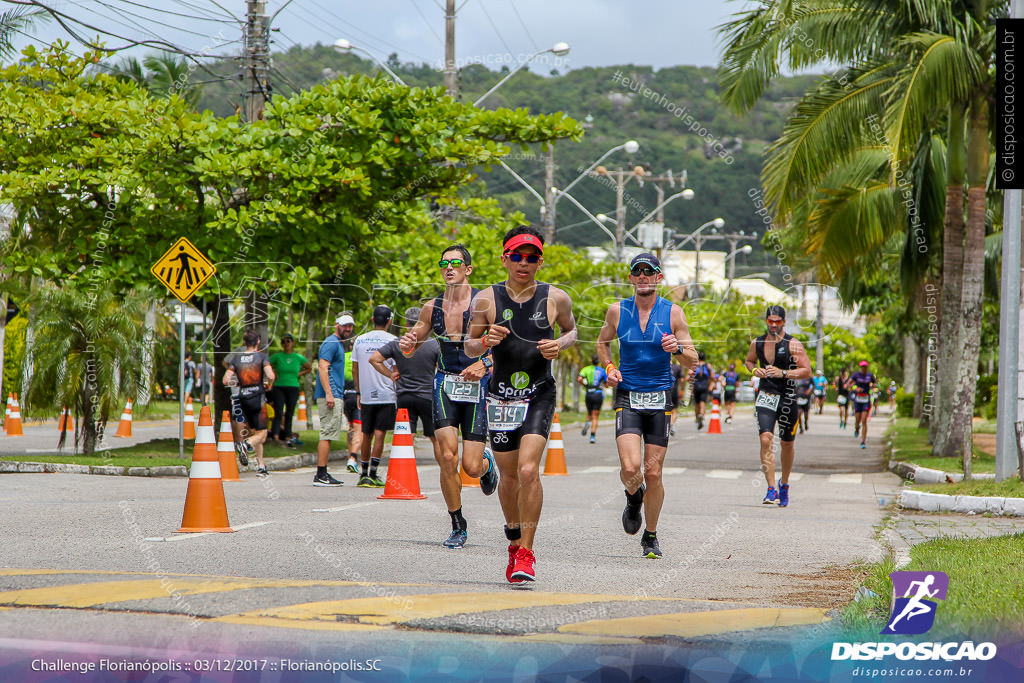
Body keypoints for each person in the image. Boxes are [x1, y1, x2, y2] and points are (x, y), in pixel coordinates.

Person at [466, 226, 576, 583]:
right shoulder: (486, 299)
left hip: (539, 392)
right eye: (517, 256)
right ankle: (513, 536)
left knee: (529, 470)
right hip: (500, 396)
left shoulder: (556, 297)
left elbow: (572, 330)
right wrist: (484, 340)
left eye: (531, 257)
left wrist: (562, 344)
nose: (523, 263)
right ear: (504, 258)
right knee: (510, 476)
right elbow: (468, 346)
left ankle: (526, 553)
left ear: (540, 261)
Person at [597, 253, 697, 559]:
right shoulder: (617, 311)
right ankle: (632, 498)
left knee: (653, 474)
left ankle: (651, 536)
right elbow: (602, 343)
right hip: (627, 395)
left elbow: (693, 359)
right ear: (631, 278)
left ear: (658, 278)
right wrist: (610, 367)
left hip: (658, 398)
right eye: (637, 272)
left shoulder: (673, 313)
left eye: (649, 271)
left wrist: (678, 348)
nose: (643, 276)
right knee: (630, 468)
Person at [399, 244, 499, 549]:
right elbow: (412, 344)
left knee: (469, 466)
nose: (449, 267)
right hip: (445, 383)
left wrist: (484, 364)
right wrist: (407, 343)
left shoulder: (485, 304)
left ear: (468, 269)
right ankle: (457, 523)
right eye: (444, 263)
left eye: (456, 262)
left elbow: (505, 347)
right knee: (446, 456)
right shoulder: (432, 307)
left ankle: (485, 464)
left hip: (477, 385)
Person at [744, 306, 812, 507]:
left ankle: (785, 483)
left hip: (788, 397)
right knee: (766, 438)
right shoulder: (757, 343)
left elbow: (807, 371)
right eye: (770, 321)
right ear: (766, 321)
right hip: (766, 395)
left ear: (783, 321)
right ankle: (771, 487)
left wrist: (783, 373)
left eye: (777, 321)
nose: (773, 325)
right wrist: (755, 370)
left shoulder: (793, 344)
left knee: (787, 443)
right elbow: (749, 361)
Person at [373, 306, 440, 465]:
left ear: (406, 322)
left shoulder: (397, 343)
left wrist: (390, 374)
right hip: (427, 397)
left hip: (404, 396)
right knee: (435, 438)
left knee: (406, 436)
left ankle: (406, 469)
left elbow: (374, 359)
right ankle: (446, 470)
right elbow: (442, 367)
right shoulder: (434, 344)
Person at [352, 305, 398, 487]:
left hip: (366, 395)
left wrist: (358, 391)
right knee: (380, 434)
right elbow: (396, 369)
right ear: (389, 321)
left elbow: (355, 368)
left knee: (366, 433)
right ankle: (373, 473)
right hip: (387, 394)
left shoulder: (359, 340)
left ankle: (363, 474)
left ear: (372, 320)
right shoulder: (394, 340)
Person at [223, 330, 275, 477]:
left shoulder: (236, 360)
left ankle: (261, 466)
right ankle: (245, 445)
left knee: (255, 432)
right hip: (258, 398)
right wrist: (268, 383)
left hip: (243, 398)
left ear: (244, 342)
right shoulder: (262, 357)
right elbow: (270, 375)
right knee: (262, 434)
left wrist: (237, 382)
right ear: (258, 341)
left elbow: (226, 380)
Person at [312, 316, 350, 486]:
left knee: (329, 434)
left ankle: (323, 472)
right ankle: (321, 474)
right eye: (345, 326)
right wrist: (329, 393)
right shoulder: (332, 343)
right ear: (336, 325)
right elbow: (322, 366)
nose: (348, 329)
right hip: (331, 395)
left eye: (350, 326)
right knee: (327, 434)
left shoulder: (336, 343)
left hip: (335, 394)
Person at [268, 334, 312, 447]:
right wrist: (273, 373)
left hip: (293, 387)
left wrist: (299, 374)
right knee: (278, 412)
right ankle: (275, 436)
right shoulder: (277, 356)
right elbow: (267, 364)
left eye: (288, 341)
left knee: (290, 412)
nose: (286, 344)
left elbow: (309, 367)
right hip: (279, 387)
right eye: (283, 341)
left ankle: (288, 436)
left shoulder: (298, 357)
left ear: (292, 343)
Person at [340, 324, 362, 473]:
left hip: (345, 397)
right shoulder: (363, 358)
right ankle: (353, 458)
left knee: (351, 428)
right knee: (359, 429)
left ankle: (350, 456)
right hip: (358, 397)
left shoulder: (343, 357)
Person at [577, 355, 607, 444]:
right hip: (597, 394)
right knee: (595, 416)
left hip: (588, 394)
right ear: (599, 362)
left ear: (591, 361)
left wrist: (585, 385)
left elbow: (579, 379)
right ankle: (592, 436)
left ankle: (587, 423)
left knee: (589, 413)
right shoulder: (602, 371)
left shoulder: (586, 369)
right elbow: (607, 384)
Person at [847, 360, 877, 448]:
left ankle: (863, 441)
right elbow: (849, 384)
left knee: (864, 420)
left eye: (865, 367)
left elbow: (875, 384)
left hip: (866, 399)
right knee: (857, 419)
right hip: (858, 399)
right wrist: (856, 388)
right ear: (860, 368)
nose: (864, 368)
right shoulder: (856, 375)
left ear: (867, 368)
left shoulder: (870, 376)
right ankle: (856, 427)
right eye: (862, 367)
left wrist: (873, 386)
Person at [687, 352, 714, 430]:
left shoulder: (694, 365)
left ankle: (697, 417)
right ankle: (701, 414)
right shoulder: (708, 366)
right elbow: (712, 376)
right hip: (705, 386)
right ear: (705, 358)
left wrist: (690, 383)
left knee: (697, 403)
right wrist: (711, 384)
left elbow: (689, 375)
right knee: (703, 402)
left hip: (696, 386)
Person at [667, 361, 684, 436]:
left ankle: (666, 425)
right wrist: (682, 390)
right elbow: (682, 380)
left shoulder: (661, 365)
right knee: (675, 410)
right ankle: (671, 423)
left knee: (666, 409)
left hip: (664, 391)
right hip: (674, 391)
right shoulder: (677, 367)